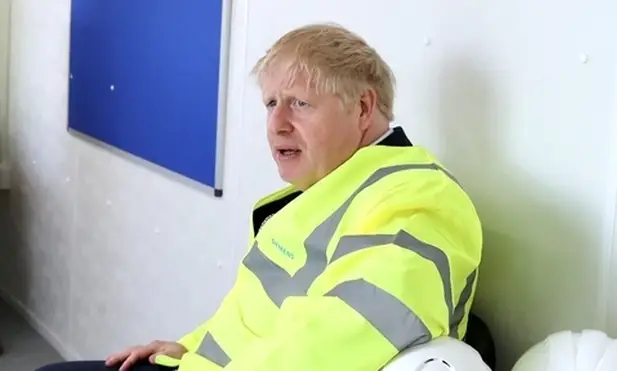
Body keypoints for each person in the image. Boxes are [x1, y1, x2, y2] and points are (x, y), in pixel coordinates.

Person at [37, 23, 483, 371]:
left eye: (299, 104)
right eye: (271, 104)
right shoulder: (324, 191)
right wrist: (188, 349)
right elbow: (257, 320)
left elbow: (341, 338)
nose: (276, 125)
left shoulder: (418, 196)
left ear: (363, 108)